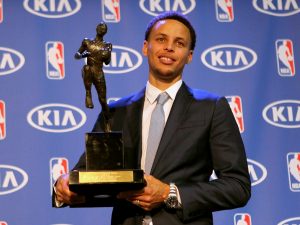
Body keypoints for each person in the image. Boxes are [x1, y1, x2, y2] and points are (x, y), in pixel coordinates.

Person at [54, 11, 251, 225]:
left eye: (179, 43)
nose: (169, 47)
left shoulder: (211, 108)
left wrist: (170, 193)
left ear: (190, 55)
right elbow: (87, 174)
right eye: (161, 39)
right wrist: (63, 185)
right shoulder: (115, 112)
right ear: (146, 47)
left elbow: (237, 186)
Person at [75, 22, 112, 131]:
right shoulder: (87, 42)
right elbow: (76, 55)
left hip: (99, 72)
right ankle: (88, 94)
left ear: (106, 31)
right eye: (100, 27)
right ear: (96, 28)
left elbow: (107, 63)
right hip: (89, 70)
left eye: (104, 28)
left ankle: (107, 122)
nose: (102, 29)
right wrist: (83, 55)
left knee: (103, 100)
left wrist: (108, 56)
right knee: (86, 68)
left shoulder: (107, 45)